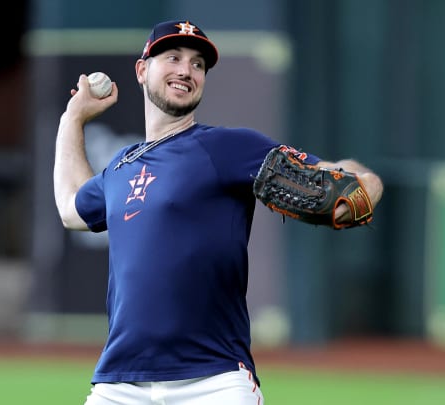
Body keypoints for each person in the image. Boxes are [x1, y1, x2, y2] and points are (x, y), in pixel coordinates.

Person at [53, 19, 383, 405]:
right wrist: (72, 118)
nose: (185, 70)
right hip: (119, 382)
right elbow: (70, 208)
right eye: (173, 57)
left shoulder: (227, 148)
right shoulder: (120, 167)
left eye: (197, 64)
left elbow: (339, 183)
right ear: (142, 70)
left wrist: (365, 182)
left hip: (214, 380)